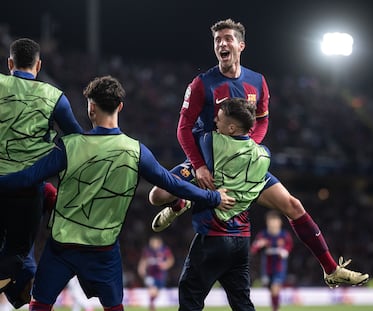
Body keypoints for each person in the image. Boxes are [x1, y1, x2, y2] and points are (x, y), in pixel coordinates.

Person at [149, 18, 369, 288]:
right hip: (206, 163)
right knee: (157, 195)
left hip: (243, 165)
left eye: (228, 39)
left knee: (294, 206)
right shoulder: (201, 84)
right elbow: (183, 128)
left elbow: (262, 119)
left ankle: (330, 268)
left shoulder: (258, 82)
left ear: (241, 45)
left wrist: (248, 147)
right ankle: (179, 203)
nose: (222, 44)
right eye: (217, 40)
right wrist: (200, 167)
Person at [0, 75, 235, 311]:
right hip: (103, 252)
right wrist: (213, 197)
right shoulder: (136, 151)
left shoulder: (69, 145)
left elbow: (27, 178)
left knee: (39, 306)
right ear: (120, 106)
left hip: (62, 248)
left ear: (91, 108)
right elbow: (173, 184)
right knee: (114, 308)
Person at [150, 98, 271, 310]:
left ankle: (184, 201)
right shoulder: (263, 155)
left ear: (232, 128)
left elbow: (187, 131)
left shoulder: (210, 143)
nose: (215, 120)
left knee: (190, 299)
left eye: (220, 118)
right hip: (241, 240)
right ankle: (183, 202)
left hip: (214, 237)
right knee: (242, 304)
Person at [0, 38, 83, 308]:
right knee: (17, 252)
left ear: (10, 63)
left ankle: (25, 290)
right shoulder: (54, 97)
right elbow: (76, 141)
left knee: (21, 267)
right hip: (27, 192)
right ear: (39, 66)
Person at [250, 210, 293, 311]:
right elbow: (253, 249)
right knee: (271, 289)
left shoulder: (284, 235)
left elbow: (289, 245)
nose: (273, 224)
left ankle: (275, 309)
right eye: (271, 221)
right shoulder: (263, 235)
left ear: (279, 222)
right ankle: (275, 306)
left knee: (275, 288)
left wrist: (285, 251)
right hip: (267, 267)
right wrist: (259, 245)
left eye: (275, 221)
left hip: (279, 266)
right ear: (267, 222)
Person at [138, 236, 174, 311]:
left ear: (159, 243)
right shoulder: (147, 251)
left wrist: (165, 265)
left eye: (153, 242)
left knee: (157, 292)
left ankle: (152, 303)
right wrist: (141, 268)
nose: (152, 244)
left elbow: (171, 260)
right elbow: (143, 260)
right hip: (150, 274)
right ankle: (151, 306)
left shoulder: (165, 250)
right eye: (151, 242)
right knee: (152, 290)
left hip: (160, 275)